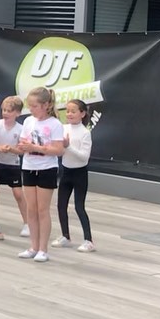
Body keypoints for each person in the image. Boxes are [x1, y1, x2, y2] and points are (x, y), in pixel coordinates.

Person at [16, 86, 64, 262]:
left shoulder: (55, 124)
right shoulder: (29, 121)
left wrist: (35, 147)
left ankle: (43, 248)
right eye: (30, 106)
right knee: (31, 208)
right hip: (29, 166)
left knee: (42, 209)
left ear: (45, 105)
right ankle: (33, 246)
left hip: (46, 168)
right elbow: (22, 142)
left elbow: (58, 150)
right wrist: (23, 146)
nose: (31, 109)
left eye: (34, 106)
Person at [53, 99, 95, 253]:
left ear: (82, 114)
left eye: (73, 111)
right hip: (66, 172)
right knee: (61, 205)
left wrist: (68, 146)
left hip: (79, 174)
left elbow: (84, 157)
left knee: (79, 206)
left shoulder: (85, 133)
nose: (69, 114)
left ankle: (88, 240)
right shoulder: (63, 129)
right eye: (68, 111)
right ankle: (65, 235)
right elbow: (59, 149)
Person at [0, 96, 29, 237]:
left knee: (18, 194)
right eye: (4, 110)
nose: (6, 113)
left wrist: (11, 149)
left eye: (9, 111)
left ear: (18, 113)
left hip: (13, 165)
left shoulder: (21, 129)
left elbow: (22, 150)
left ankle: (27, 224)